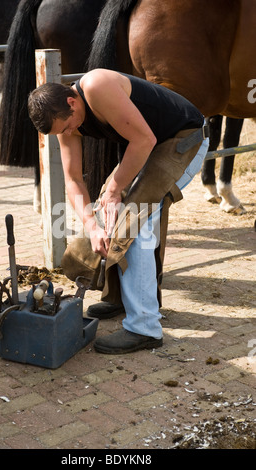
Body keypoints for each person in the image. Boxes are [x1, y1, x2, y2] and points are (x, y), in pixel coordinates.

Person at [28, 68, 209, 354]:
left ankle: (145, 328)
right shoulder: (62, 118)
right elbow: (74, 179)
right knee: (106, 209)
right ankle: (119, 299)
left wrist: (115, 190)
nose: (68, 133)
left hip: (183, 139)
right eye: (61, 133)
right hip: (150, 143)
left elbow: (144, 140)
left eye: (66, 127)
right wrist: (92, 226)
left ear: (72, 102)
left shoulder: (97, 85)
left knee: (133, 224)